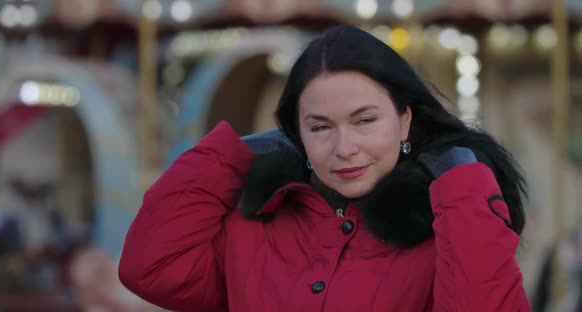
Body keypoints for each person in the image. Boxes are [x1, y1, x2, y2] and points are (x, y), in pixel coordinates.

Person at [119, 25, 530, 311]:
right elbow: (150, 268)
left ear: (404, 120)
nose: (344, 148)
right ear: (296, 133)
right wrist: (232, 154)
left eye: (365, 120)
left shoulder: (446, 230)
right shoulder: (257, 222)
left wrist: (461, 183)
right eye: (320, 127)